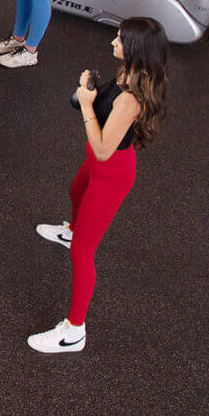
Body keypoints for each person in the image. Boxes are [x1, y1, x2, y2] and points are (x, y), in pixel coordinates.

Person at [27, 18, 168, 353]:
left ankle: (74, 331)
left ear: (135, 49)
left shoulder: (131, 99)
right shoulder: (127, 72)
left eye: (119, 39)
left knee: (83, 253)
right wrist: (93, 90)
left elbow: (105, 149)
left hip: (111, 173)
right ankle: (73, 229)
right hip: (98, 163)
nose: (113, 42)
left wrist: (87, 105)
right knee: (75, 192)